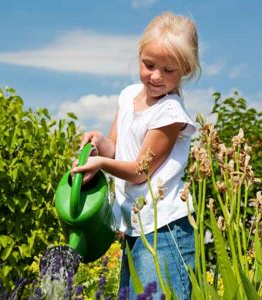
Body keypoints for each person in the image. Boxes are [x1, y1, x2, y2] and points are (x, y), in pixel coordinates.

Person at [72, 12, 200, 300]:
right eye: (149, 65)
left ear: (187, 70)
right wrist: (98, 143)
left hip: (165, 228)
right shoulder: (128, 96)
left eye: (169, 70)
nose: (156, 76)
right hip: (136, 224)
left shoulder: (170, 114)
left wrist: (102, 164)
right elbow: (117, 148)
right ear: (139, 55)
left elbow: (140, 170)